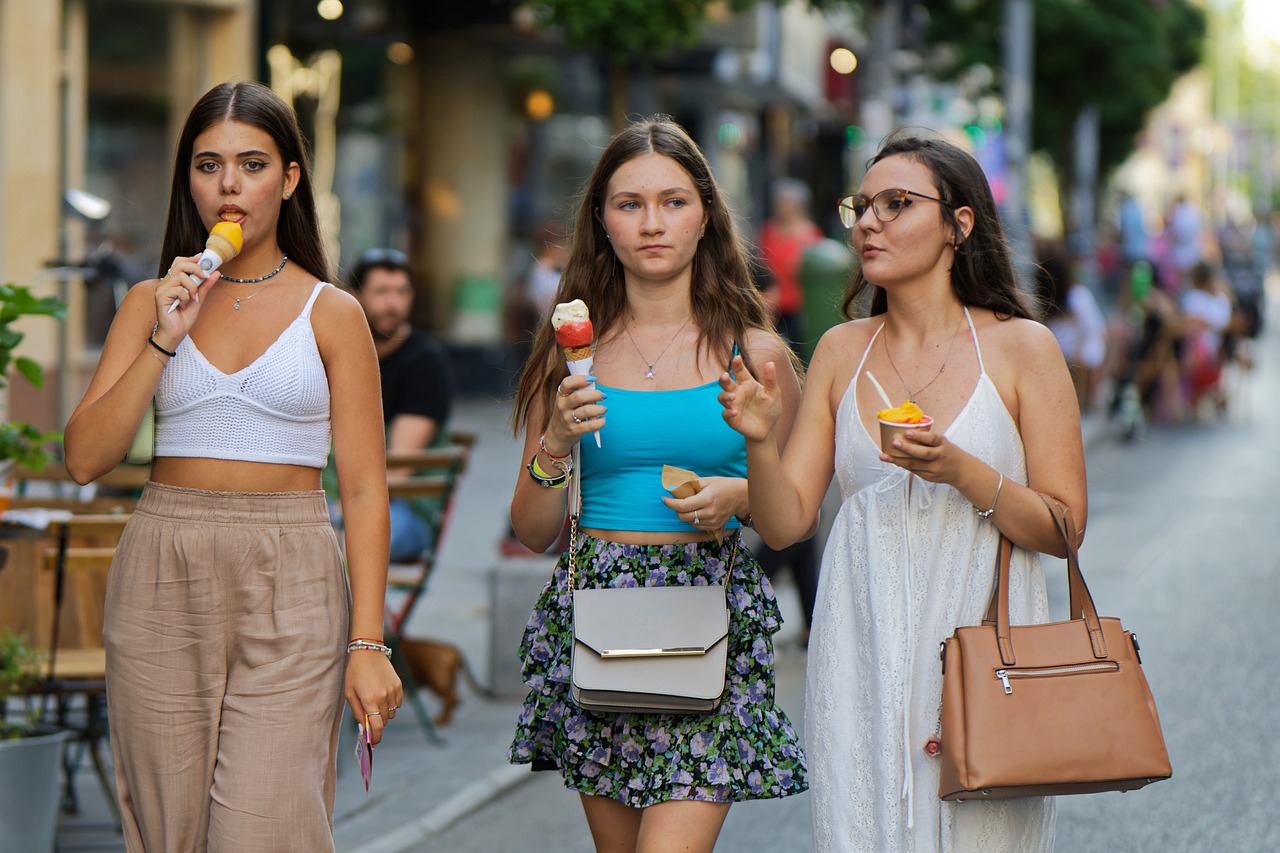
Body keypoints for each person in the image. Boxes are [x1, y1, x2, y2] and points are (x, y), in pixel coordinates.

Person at [718, 131, 1087, 851]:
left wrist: (962, 470)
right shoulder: (839, 349)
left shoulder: (1022, 348)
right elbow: (788, 520)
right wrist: (759, 440)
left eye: (896, 204)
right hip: (859, 655)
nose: (867, 222)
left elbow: (1065, 528)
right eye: (861, 205)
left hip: (985, 665)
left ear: (960, 223)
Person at [63, 80, 401, 853]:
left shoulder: (334, 312)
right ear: (189, 178)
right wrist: (163, 336)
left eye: (251, 165)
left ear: (288, 179)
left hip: (292, 570)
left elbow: (364, 487)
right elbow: (85, 457)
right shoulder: (151, 300)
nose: (228, 185)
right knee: (167, 831)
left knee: (269, 827)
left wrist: (368, 643)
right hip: (162, 563)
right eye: (209, 164)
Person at [506, 116, 808, 852]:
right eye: (628, 204)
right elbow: (533, 528)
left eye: (673, 201)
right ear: (601, 222)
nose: (652, 223)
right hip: (598, 616)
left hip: (707, 614)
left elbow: (786, 522)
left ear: (706, 214)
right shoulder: (569, 354)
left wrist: (744, 480)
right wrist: (554, 441)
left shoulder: (758, 354)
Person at [348, 246, 454, 562]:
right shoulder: (342, 354)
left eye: (402, 292)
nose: (393, 303)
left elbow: (397, 472)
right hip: (340, 501)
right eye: (381, 291)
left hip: (404, 511)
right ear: (354, 296)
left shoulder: (424, 363)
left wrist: (339, 512)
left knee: (334, 542)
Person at [758, 177, 823, 349]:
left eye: (788, 201)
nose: (783, 206)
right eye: (780, 201)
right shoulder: (767, 230)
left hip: (797, 303)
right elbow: (760, 265)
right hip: (771, 304)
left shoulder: (809, 233)